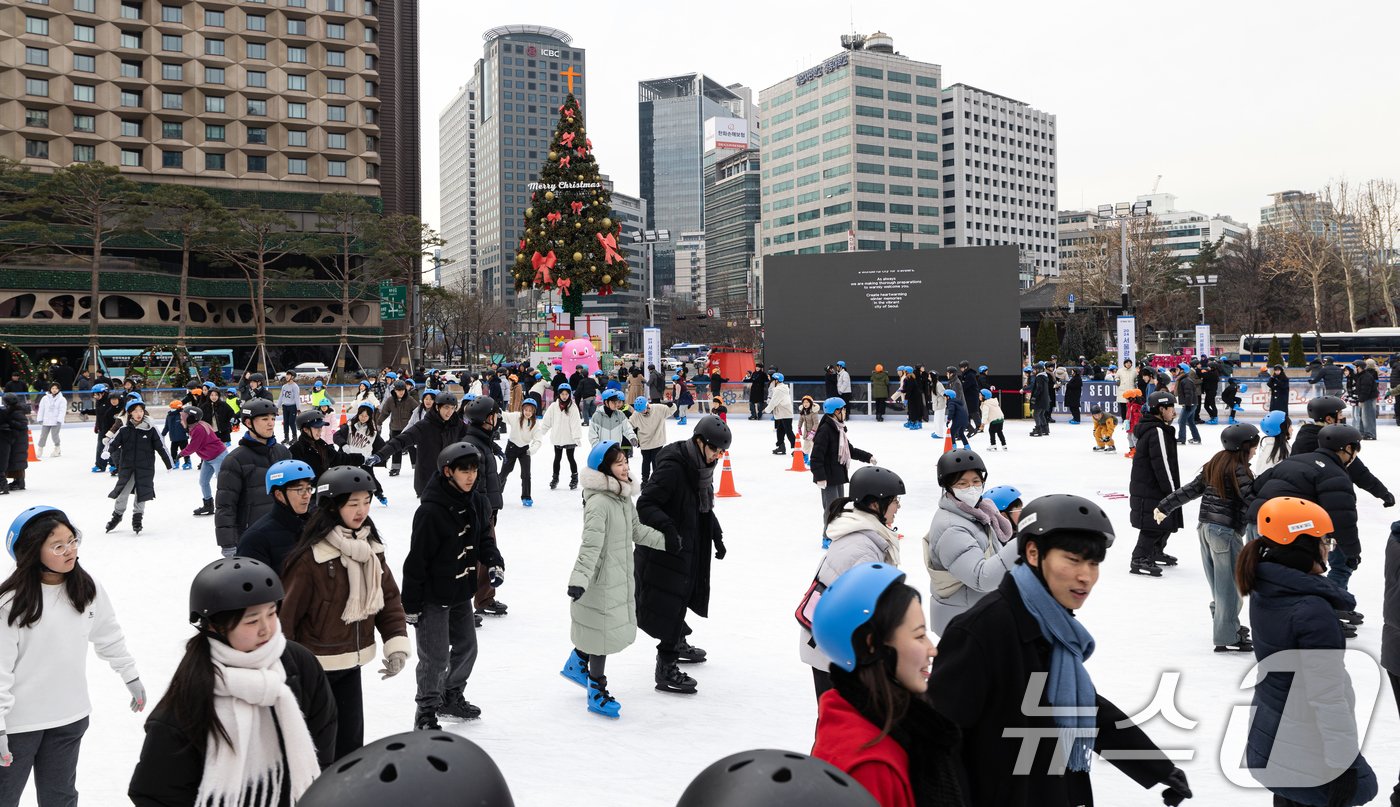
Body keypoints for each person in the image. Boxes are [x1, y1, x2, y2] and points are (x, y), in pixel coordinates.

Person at [927, 495, 1191, 807]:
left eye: (1093, 563)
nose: (1086, 576)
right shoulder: (981, 631)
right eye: (1073, 560)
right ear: (1033, 553)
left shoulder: (1052, 625)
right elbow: (939, 742)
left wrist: (1157, 768)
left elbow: (1085, 709)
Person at [128, 556, 337, 807]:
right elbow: (154, 794)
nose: (266, 629)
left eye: (271, 613)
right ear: (215, 627)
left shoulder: (299, 664)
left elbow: (323, 742)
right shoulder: (189, 701)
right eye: (251, 620)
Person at [0, 506, 146, 805]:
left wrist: (129, 674)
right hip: (17, 727)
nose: (70, 551)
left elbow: (108, 634)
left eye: (72, 540)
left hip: (69, 717)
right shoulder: (10, 604)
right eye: (58, 546)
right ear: (30, 552)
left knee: (61, 797)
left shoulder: (86, 587)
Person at [1238, 497, 1378, 807]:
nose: (1330, 547)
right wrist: (1342, 767)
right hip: (1308, 741)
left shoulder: (1267, 585)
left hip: (1278, 727)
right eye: (1325, 539)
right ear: (1301, 544)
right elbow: (1326, 696)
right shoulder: (1311, 610)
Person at [280, 466, 410, 758]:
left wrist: (396, 644)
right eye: (353, 504)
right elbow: (285, 619)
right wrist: (286, 670)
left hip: (352, 663)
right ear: (331, 506)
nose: (362, 510)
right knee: (319, 748)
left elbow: (388, 599)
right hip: (315, 668)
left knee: (351, 745)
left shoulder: (370, 549)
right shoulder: (310, 559)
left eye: (366, 501)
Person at [808, 562, 962, 807]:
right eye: (919, 635)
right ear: (872, 645)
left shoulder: (888, 722)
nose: (932, 650)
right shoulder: (870, 769)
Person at [561, 441, 674, 719]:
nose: (625, 467)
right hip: (599, 580)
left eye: (625, 461)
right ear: (605, 469)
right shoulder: (600, 502)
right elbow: (590, 545)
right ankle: (596, 692)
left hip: (617, 575)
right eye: (618, 463)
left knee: (601, 630)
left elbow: (635, 530)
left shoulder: (622, 497)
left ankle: (577, 662)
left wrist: (666, 542)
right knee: (602, 635)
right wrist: (579, 579)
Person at [402, 443, 502, 729]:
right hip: (432, 596)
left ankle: (451, 694)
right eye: (464, 470)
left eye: (474, 469)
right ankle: (426, 711)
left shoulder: (477, 501)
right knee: (434, 657)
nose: (471, 476)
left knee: (467, 647)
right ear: (448, 472)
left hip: (460, 592)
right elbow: (416, 561)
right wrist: (410, 605)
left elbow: (485, 538)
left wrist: (494, 561)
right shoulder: (430, 512)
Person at [635, 415, 731, 694]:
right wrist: (668, 528)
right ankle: (665, 668)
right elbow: (646, 504)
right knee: (671, 604)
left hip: (689, 544)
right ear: (700, 442)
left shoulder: (700, 467)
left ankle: (677, 641)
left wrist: (716, 534)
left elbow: (702, 508)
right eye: (715, 449)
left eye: (721, 452)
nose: (717, 456)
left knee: (684, 597)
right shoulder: (674, 468)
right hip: (667, 550)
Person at [800, 468, 905, 698]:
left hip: (829, 645)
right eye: (894, 501)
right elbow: (865, 612)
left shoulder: (865, 536)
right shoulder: (862, 549)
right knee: (839, 725)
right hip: (832, 651)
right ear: (875, 505)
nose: (898, 507)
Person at [1154, 424, 1259, 652]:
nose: (1255, 450)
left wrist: (1165, 505)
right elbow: (1252, 500)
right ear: (1244, 447)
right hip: (1224, 532)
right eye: (1253, 446)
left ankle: (1226, 624)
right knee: (1231, 586)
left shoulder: (1217, 462)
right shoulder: (1239, 469)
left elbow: (1191, 489)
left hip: (1206, 529)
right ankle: (1228, 636)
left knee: (1220, 584)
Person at [1250, 425, 1368, 602]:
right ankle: (1328, 612)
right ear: (1348, 449)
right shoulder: (1335, 474)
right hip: (1290, 536)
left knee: (1273, 582)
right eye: (1356, 450)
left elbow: (1256, 486)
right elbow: (1342, 520)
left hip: (1260, 525)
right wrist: (1352, 553)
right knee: (1302, 582)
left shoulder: (1293, 460)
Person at [924, 449, 1018, 636]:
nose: (972, 488)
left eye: (976, 482)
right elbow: (981, 578)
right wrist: (1020, 545)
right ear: (948, 487)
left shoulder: (979, 513)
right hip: (964, 624)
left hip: (976, 615)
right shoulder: (952, 528)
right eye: (962, 483)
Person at [214, 399, 293, 558]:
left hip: (284, 533)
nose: (271, 423)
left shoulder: (283, 453)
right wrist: (228, 544)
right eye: (265, 419)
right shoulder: (235, 460)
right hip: (251, 538)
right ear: (249, 423)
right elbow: (225, 505)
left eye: (272, 418)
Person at [453, 396, 507, 617]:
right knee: (471, 556)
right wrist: (482, 511)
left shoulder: (482, 441)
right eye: (495, 416)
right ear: (487, 419)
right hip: (477, 511)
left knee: (486, 555)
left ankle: (484, 598)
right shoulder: (474, 445)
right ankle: (461, 605)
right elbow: (473, 484)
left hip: (487, 509)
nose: (497, 420)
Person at [370, 393, 466, 497]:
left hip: (451, 481)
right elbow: (400, 440)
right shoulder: (424, 426)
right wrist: (380, 455)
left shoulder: (457, 425)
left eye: (453, 408)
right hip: (428, 481)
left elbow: (472, 436)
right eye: (446, 407)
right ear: (437, 407)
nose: (450, 412)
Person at [1128, 391, 1182, 577]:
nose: (1174, 412)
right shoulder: (1157, 431)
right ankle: (1139, 558)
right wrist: (1174, 493)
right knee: (1153, 524)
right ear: (1161, 409)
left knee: (1164, 520)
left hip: (1152, 486)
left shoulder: (1159, 428)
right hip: (1151, 487)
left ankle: (1155, 551)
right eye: (1171, 408)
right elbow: (1162, 463)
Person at [811, 398, 876, 547]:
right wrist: (820, 477)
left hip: (838, 475)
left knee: (839, 508)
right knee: (831, 509)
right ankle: (827, 537)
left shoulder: (838, 429)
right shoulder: (826, 430)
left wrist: (867, 457)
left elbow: (849, 450)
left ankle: (837, 533)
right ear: (836, 412)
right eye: (843, 409)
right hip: (828, 478)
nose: (845, 412)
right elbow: (815, 456)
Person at [104, 399, 174, 535]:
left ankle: (137, 518)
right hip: (127, 468)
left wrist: (169, 464)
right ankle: (117, 516)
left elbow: (161, 447)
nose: (138, 413)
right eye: (135, 411)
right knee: (122, 492)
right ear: (130, 413)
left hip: (145, 468)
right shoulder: (124, 430)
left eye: (141, 410)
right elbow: (113, 443)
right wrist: (107, 451)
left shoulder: (151, 430)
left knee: (142, 493)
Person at [236, 459, 317, 575]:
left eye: (309, 489)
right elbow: (253, 586)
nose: (307, 496)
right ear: (279, 495)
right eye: (300, 490)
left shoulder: (313, 524)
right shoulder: (255, 539)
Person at [181, 406, 228, 518]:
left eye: (184, 416)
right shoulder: (195, 426)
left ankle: (227, 506)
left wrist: (181, 454)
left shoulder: (199, 429)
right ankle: (208, 505)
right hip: (208, 458)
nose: (182, 419)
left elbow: (193, 447)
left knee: (223, 484)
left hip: (218, 456)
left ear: (192, 418)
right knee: (203, 481)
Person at [499, 394, 545, 507]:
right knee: (505, 471)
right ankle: (496, 493)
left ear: (534, 411)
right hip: (511, 447)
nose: (527, 412)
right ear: (522, 409)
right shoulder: (516, 417)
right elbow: (503, 415)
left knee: (526, 474)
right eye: (526, 410)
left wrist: (531, 451)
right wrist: (496, 409)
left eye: (530, 410)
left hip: (525, 449)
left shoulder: (535, 424)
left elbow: (538, 440)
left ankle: (526, 497)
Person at [289, 409, 360, 478]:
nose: (320, 430)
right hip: (307, 489)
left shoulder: (321, 445)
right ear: (305, 429)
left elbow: (338, 459)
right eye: (316, 427)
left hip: (322, 487)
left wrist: (361, 458)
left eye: (321, 427)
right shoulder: (295, 450)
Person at [542, 385, 582, 491]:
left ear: (569, 395)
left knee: (570, 458)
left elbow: (576, 423)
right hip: (558, 437)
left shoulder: (573, 407)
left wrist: (576, 437)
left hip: (569, 437)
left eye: (566, 394)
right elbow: (547, 421)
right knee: (557, 458)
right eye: (562, 394)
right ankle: (555, 478)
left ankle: (574, 478)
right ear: (559, 394)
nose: (564, 396)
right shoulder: (554, 406)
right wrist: (541, 432)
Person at [377, 381, 420, 477]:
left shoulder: (410, 400)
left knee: (412, 448)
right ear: (395, 390)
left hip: (408, 429)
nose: (401, 392)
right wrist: (379, 422)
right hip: (395, 428)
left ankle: (417, 467)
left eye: (403, 390)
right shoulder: (390, 400)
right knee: (395, 448)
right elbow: (384, 413)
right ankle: (395, 467)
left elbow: (417, 412)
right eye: (398, 390)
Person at [629, 396, 675, 483]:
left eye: (643, 410)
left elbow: (671, 410)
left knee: (656, 462)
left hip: (657, 441)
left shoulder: (658, 408)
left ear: (647, 405)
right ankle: (645, 481)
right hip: (644, 443)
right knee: (646, 462)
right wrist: (632, 436)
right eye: (640, 411)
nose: (642, 412)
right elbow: (629, 424)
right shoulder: (637, 414)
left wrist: (671, 405)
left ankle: (656, 480)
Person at [588, 389, 638, 457]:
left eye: (617, 402)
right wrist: (598, 448)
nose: (616, 404)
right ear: (606, 402)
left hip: (616, 451)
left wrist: (632, 437)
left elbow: (627, 428)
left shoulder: (620, 415)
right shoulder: (597, 416)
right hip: (602, 452)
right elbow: (592, 435)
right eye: (613, 402)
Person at [765, 373, 796, 455]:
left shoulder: (779, 390)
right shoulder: (780, 388)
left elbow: (773, 402)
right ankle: (781, 446)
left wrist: (766, 410)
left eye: (773, 380)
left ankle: (797, 448)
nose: (771, 382)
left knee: (788, 431)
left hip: (785, 413)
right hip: (782, 413)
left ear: (777, 380)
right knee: (780, 430)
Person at [1253, 410, 1291, 476]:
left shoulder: (1280, 446)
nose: (1292, 429)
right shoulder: (1271, 451)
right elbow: (1263, 478)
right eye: (1289, 426)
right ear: (1282, 429)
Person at [1352, 358, 1380, 440]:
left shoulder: (1366, 377)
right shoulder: (1361, 375)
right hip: (1365, 398)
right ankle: (1363, 432)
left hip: (1368, 399)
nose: (1354, 368)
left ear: (1359, 367)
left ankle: (1370, 434)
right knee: (1363, 416)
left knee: (1368, 416)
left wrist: (1361, 400)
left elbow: (1365, 390)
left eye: (1355, 366)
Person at [34, 383, 64, 459]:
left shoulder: (62, 399)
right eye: (53, 388)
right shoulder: (45, 398)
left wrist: (59, 419)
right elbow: (41, 409)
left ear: (58, 389)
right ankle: (40, 449)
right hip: (46, 420)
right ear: (50, 389)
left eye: (56, 388)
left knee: (54, 436)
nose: (54, 390)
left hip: (56, 421)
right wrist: (40, 418)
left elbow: (62, 410)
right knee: (43, 436)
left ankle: (57, 448)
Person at [1172, 365, 1201, 444]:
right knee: (1190, 421)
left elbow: (1189, 394)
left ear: (1182, 370)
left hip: (1190, 404)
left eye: (1178, 369)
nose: (1176, 370)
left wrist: (1188, 404)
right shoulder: (1183, 379)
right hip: (1191, 403)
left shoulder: (1186, 380)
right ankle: (1196, 438)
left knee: (1181, 421)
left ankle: (1181, 439)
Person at [162, 400, 191, 470]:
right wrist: (162, 434)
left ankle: (187, 462)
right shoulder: (169, 416)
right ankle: (175, 462)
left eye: (173, 408)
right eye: (171, 408)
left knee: (185, 450)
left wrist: (189, 432)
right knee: (173, 451)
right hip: (174, 438)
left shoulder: (183, 415)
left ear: (178, 408)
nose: (171, 409)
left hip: (183, 437)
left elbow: (188, 425)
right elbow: (166, 427)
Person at [1029, 363, 1052, 437]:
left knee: (1036, 414)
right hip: (1045, 399)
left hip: (1040, 399)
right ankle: (1045, 429)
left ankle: (1038, 429)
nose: (1033, 371)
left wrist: (1034, 397)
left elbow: (1039, 388)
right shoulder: (1044, 377)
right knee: (1041, 414)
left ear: (1038, 370)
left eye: (1034, 369)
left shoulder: (1039, 377)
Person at [278, 370, 300, 443]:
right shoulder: (284, 386)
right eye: (286, 375)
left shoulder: (295, 387)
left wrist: (298, 408)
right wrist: (277, 407)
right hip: (285, 406)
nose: (286, 376)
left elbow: (297, 398)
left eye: (288, 375)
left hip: (292, 407)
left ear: (292, 377)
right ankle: (286, 437)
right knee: (286, 422)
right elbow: (281, 397)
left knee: (291, 422)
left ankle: (294, 437)